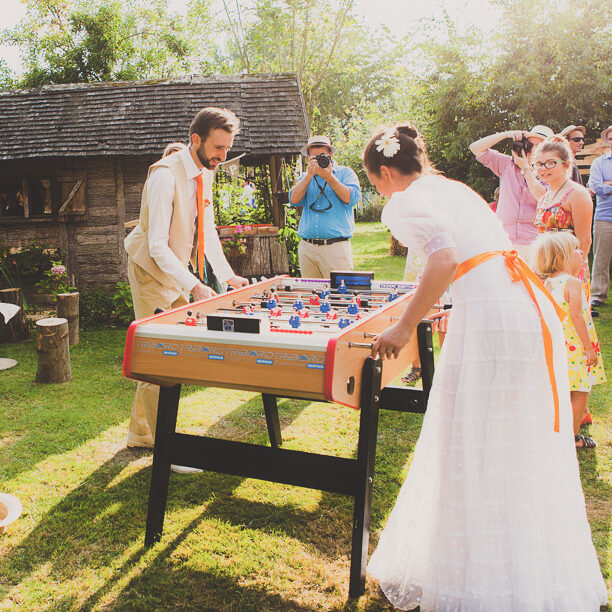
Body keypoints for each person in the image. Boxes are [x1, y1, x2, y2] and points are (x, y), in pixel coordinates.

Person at [363, 122, 607, 611]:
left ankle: (486, 581)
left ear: (386, 172)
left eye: (375, 182)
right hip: (522, 309)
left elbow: (444, 258)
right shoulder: (452, 187)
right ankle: (513, 564)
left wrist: (404, 326)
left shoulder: (404, 199)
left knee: (472, 436)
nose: (379, 190)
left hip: (495, 323)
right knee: (511, 439)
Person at [124, 107, 249, 455]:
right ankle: (166, 447)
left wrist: (227, 276)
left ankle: (141, 433)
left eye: (227, 148)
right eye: (218, 148)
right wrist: (194, 283)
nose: (222, 157)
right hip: (151, 270)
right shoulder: (164, 176)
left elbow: (207, 229)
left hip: (173, 270)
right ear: (196, 140)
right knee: (160, 357)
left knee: (166, 353)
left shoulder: (204, 171)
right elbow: (156, 245)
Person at [532, 232, 605, 448]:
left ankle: (555, 430)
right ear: (562, 256)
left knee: (561, 389)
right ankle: (572, 438)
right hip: (576, 347)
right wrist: (588, 348)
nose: (581, 252)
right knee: (581, 390)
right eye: (575, 249)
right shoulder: (573, 283)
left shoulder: (547, 284)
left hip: (557, 346)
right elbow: (576, 316)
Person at [469, 125, 554, 258]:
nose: (533, 150)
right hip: (503, 237)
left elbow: (542, 197)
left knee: (533, 279)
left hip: (533, 240)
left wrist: (526, 168)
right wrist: (506, 134)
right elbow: (475, 148)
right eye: (530, 144)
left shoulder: (549, 172)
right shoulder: (507, 164)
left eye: (539, 146)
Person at [288, 135, 361, 278]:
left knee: (340, 296)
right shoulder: (305, 176)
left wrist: (329, 177)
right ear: (308, 157)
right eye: (314, 157)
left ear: (330, 154)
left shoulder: (345, 173)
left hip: (336, 247)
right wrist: (309, 175)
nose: (319, 160)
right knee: (312, 296)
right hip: (307, 248)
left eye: (322, 156)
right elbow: (293, 200)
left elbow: (351, 198)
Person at [532, 136, 593, 285]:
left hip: (568, 272)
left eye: (551, 163)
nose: (543, 168)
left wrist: (569, 276)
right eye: (539, 164)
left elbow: (584, 241)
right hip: (543, 269)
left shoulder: (577, 194)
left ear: (566, 164)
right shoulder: (544, 198)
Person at [588, 125, 612, 310]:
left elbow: (605, 187)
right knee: (601, 258)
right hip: (605, 217)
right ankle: (597, 295)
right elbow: (596, 187)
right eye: (610, 138)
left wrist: (608, 184)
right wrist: (604, 186)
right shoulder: (599, 162)